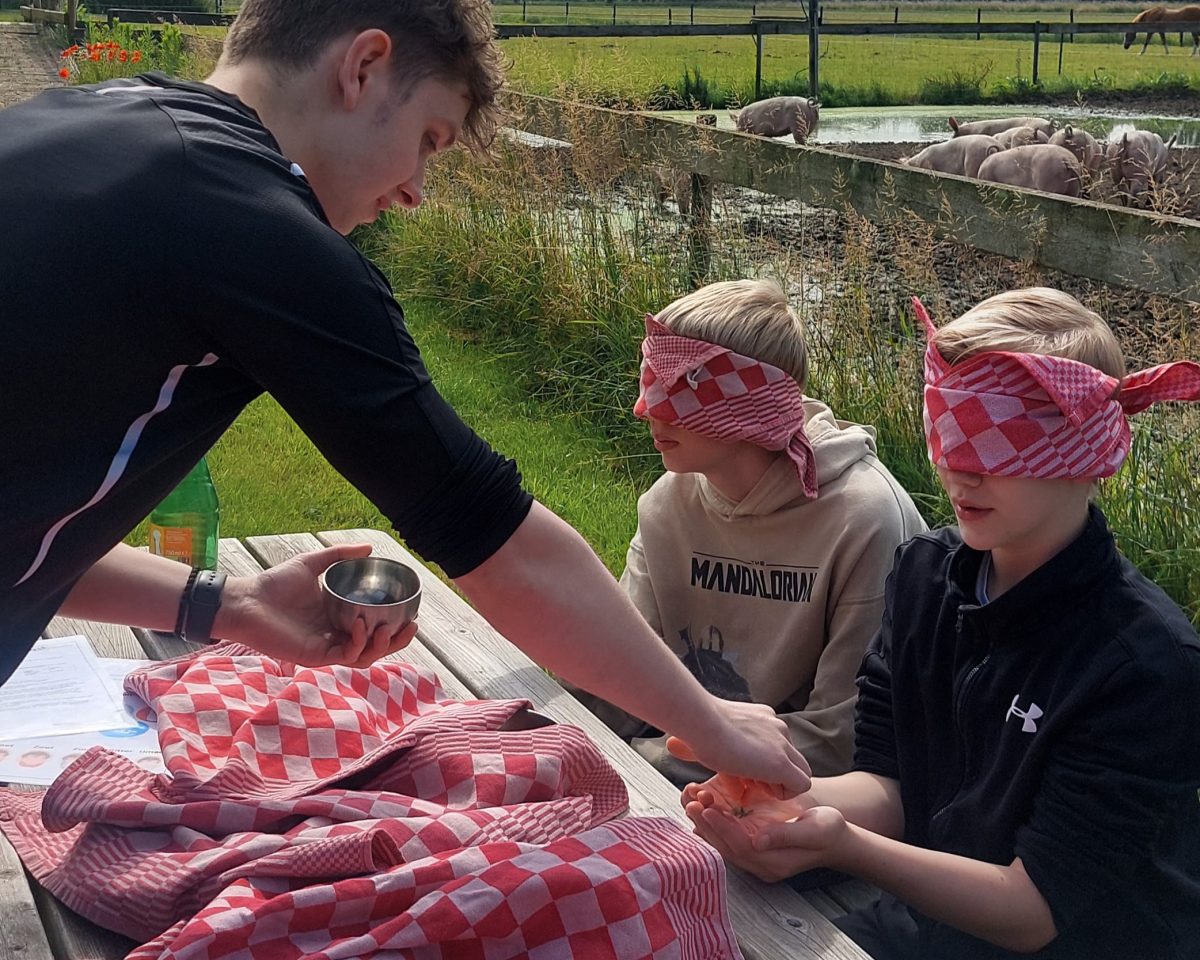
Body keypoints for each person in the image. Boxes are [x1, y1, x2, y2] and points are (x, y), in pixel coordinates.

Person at [0, 0, 810, 794]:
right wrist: (715, 723)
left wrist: (228, 602)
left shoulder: (83, 119)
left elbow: (26, 521)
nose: (417, 189)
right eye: (427, 140)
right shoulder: (246, 220)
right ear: (363, 67)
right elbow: (495, 537)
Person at [677, 288, 1200, 959]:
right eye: (947, 428)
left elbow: (1032, 911)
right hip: (929, 927)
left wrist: (843, 845)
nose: (961, 466)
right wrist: (780, 800)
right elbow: (892, 784)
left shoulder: (1148, 665)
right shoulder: (923, 577)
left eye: (1004, 439)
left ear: (1087, 451)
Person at [570, 279, 925, 786]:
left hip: (795, 806)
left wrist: (657, 760)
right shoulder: (668, 502)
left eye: (683, 386)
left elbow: (841, 739)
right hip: (670, 767)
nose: (645, 408)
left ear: (751, 402)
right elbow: (624, 672)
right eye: (650, 378)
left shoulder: (864, 519)